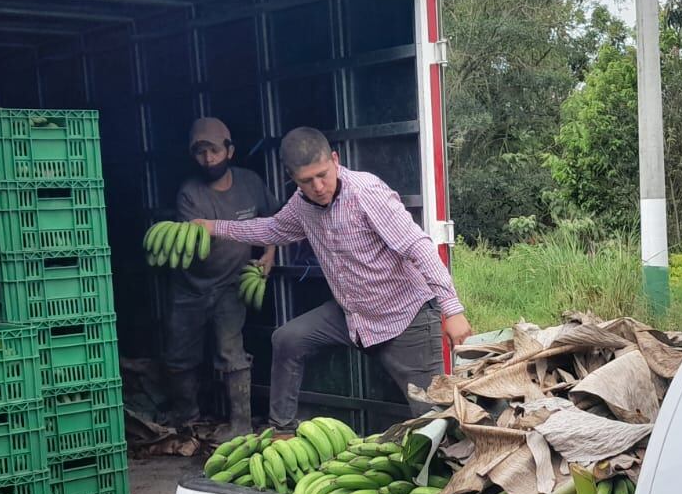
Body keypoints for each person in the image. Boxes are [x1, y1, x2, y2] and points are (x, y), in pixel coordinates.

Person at [191, 126, 472, 429]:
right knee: (287, 339)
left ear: (335, 160)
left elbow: (418, 246)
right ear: (292, 178)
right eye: (306, 181)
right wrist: (214, 226)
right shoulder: (301, 205)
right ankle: (282, 430)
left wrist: (453, 309)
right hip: (353, 314)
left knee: (433, 416)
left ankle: (453, 466)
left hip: (405, 316)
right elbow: (272, 229)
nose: (319, 186)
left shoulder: (366, 193)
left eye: (323, 174)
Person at [163, 117, 276, 438]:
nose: (208, 159)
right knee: (180, 355)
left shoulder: (250, 183)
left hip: (232, 283)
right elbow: (194, 245)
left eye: (213, 150)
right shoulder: (190, 194)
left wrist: (268, 253)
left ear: (230, 149)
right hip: (190, 287)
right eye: (200, 153)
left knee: (231, 351)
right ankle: (188, 421)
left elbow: (274, 221)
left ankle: (240, 424)